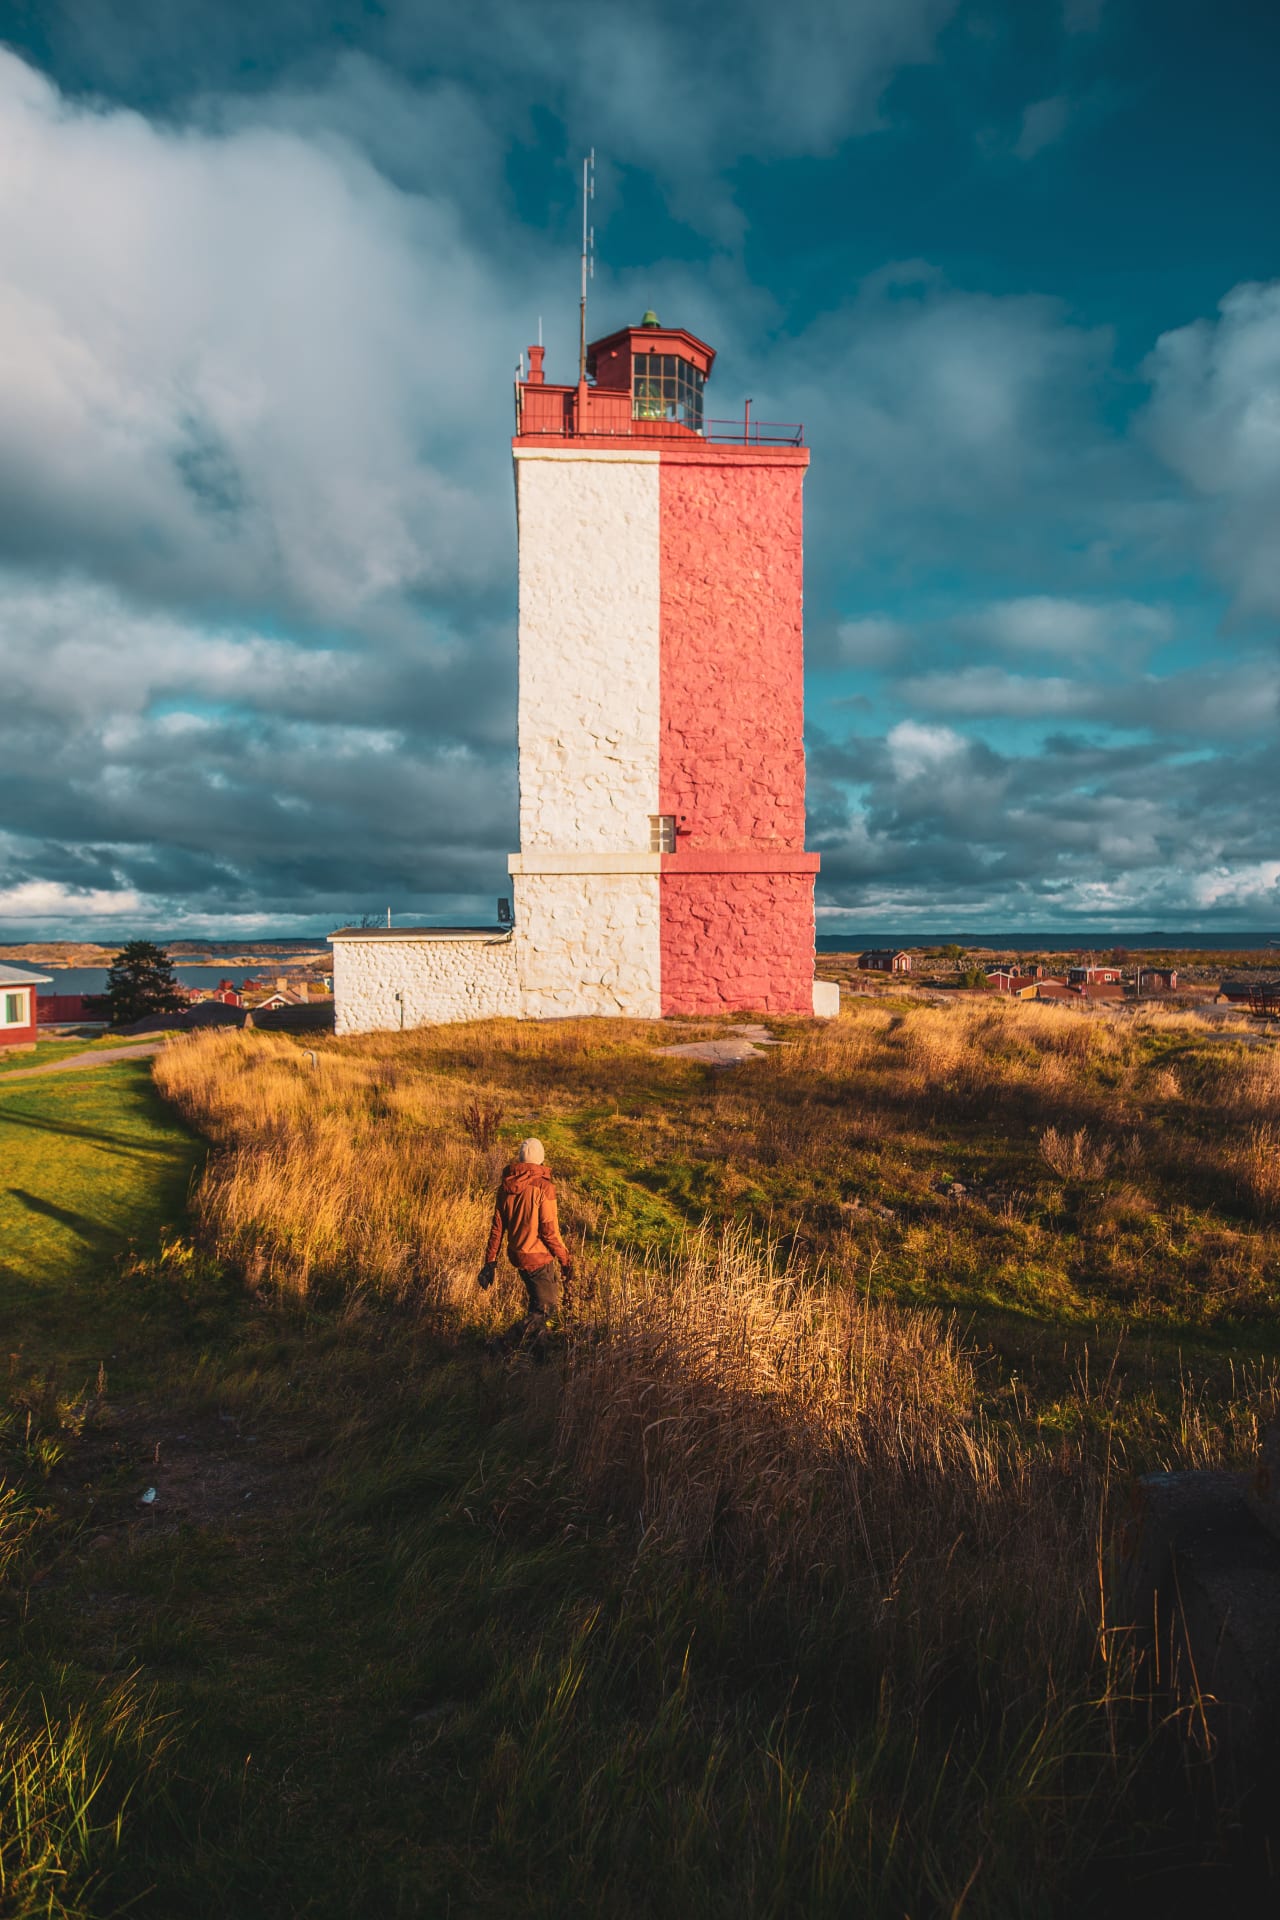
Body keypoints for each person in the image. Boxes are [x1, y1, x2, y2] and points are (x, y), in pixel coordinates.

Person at [478, 1137, 574, 1332]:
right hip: (538, 1258)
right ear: (541, 1158)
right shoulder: (544, 1188)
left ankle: (539, 1354)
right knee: (546, 1309)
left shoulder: (505, 1187)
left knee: (537, 1306)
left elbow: (497, 1228)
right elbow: (549, 1232)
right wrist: (565, 1259)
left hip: (517, 1254)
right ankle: (504, 1343)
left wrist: (490, 1262)